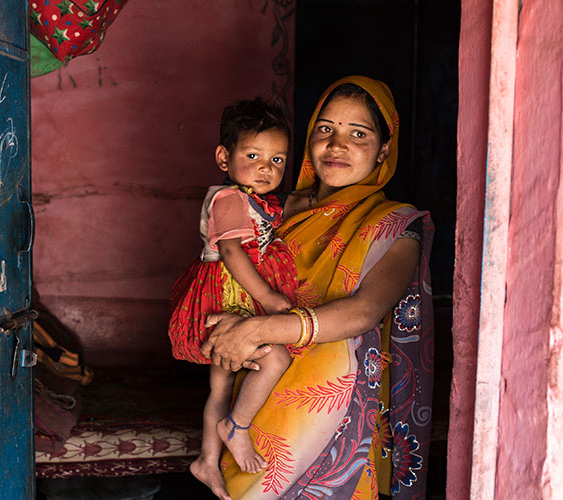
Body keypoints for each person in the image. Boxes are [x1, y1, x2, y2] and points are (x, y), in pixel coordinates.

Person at [200, 76, 435, 499]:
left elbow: (362, 312)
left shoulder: (396, 226)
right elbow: (230, 274)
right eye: (325, 129)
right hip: (257, 398)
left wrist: (258, 330)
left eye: (358, 134)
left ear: (384, 148)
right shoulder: (271, 210)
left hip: (335, 418)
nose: (337, 144)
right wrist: (230, 322)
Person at [168, 97, 299, 498]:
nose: (266, 167)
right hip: (227, 298)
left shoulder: (258, 200)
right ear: (224, 157)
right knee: (275, 357)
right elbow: (231, 251)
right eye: (254, 155)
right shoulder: (229, 199)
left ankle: (207, 461)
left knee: (221, 388)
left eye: (277, 160)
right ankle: (235, 427)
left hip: (237, 300)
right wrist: (270, 298)